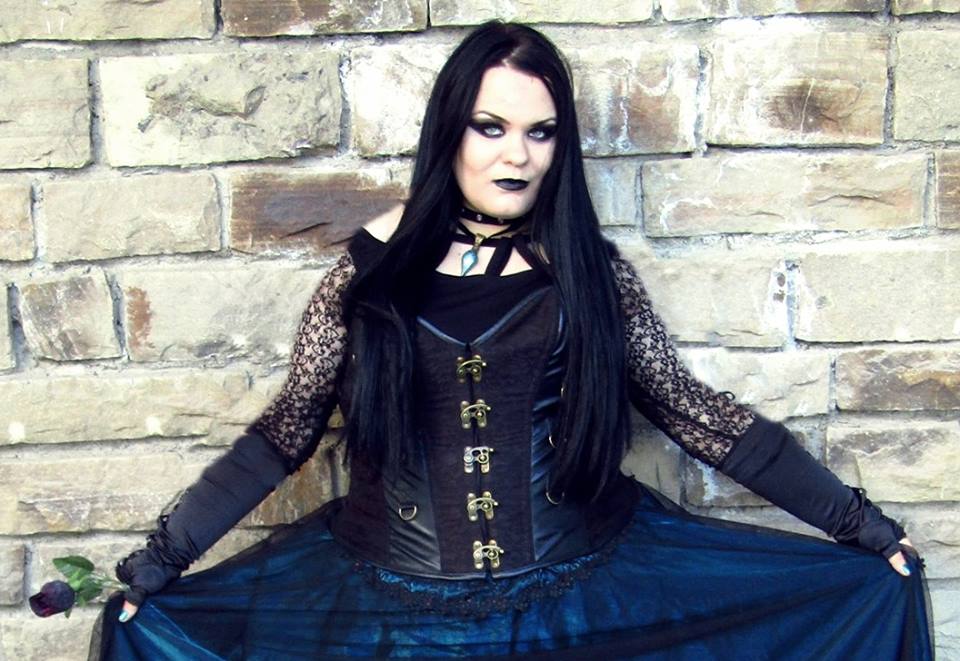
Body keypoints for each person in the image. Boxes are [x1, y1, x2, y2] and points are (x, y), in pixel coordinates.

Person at [91, 21, 932, 660]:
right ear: (450, 131)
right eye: (490, 127)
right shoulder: (368, 272)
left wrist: (862, 527)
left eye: (541, 131)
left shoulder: (591, 275)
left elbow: (693, 412)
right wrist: (162, 559)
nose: (517, 155)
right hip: (390, 615)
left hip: (581, 603)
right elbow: (286, 428)